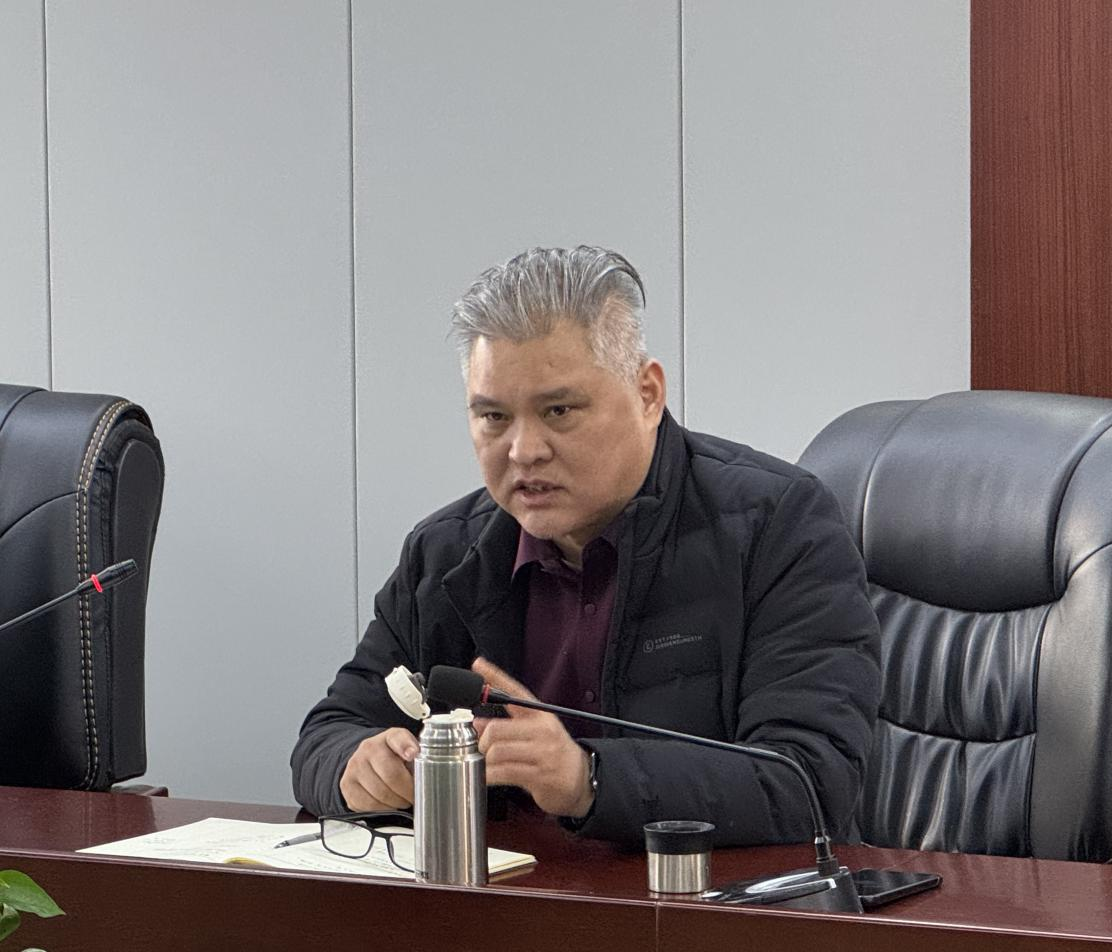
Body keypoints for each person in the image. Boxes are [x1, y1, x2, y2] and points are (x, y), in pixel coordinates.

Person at [291, 246, 880, 845]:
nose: (524, 451)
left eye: (559, 410)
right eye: (493, 418)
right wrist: (355, 768)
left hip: (710, 896)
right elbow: (327, 734)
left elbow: (811, 779)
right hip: (500, 896)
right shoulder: (445, 553)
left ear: (648, 394)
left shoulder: (777, 525)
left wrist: (587, 780)